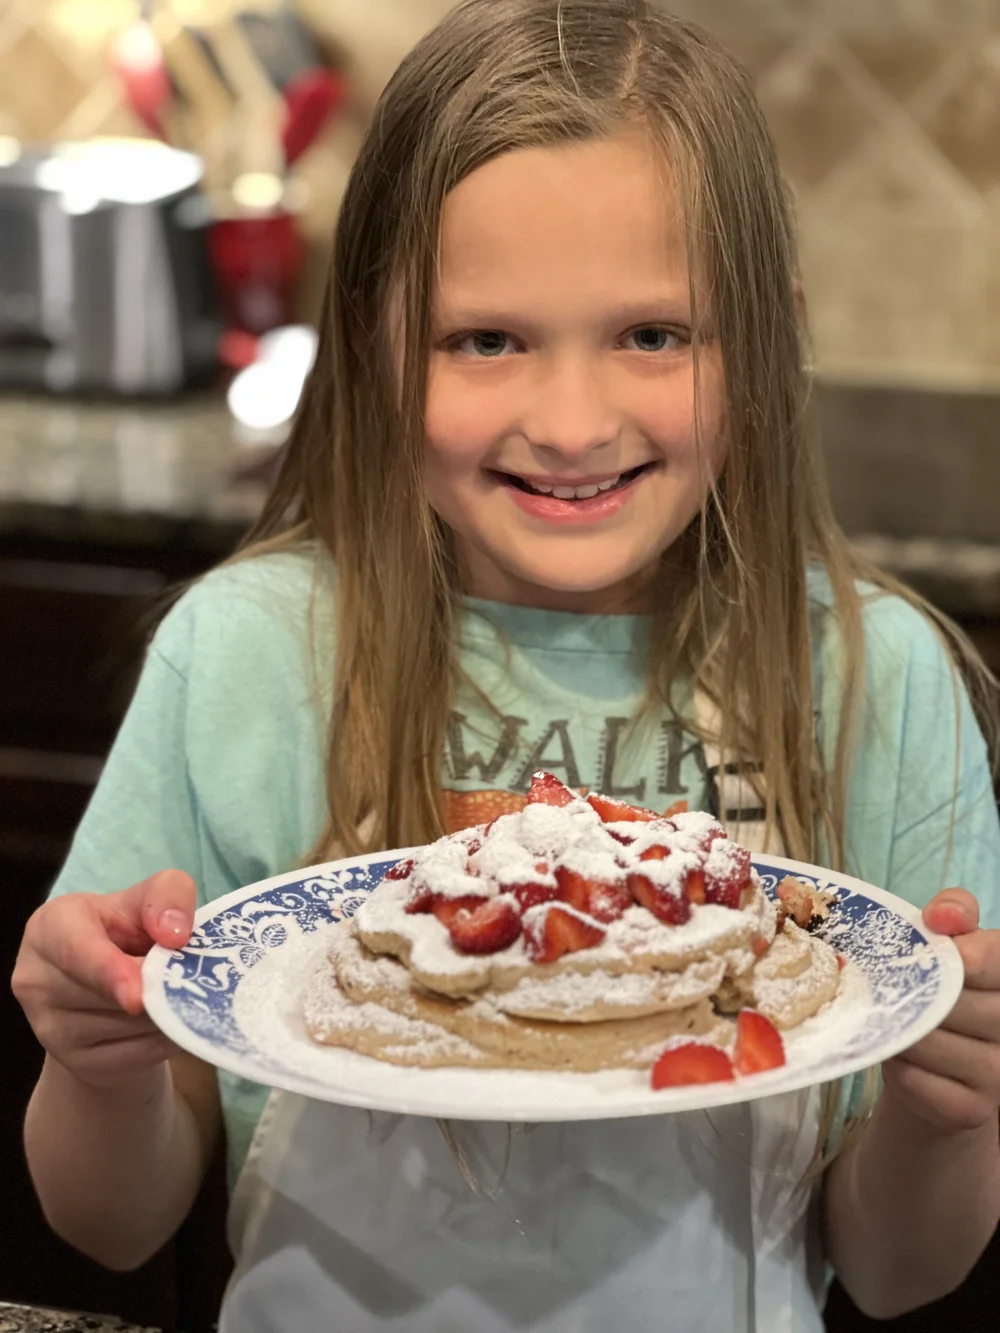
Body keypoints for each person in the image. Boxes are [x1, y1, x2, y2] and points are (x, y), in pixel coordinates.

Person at [12, 2, 1000, 1329]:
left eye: (654, 334)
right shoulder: (247, 658)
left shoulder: (872, 680)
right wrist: (103, 1064)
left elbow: (897, 1268)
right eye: (486, 339)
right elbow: (112, 1221)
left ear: (764, 344)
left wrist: (945, 1118)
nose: (572, 422)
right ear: (375, 341)